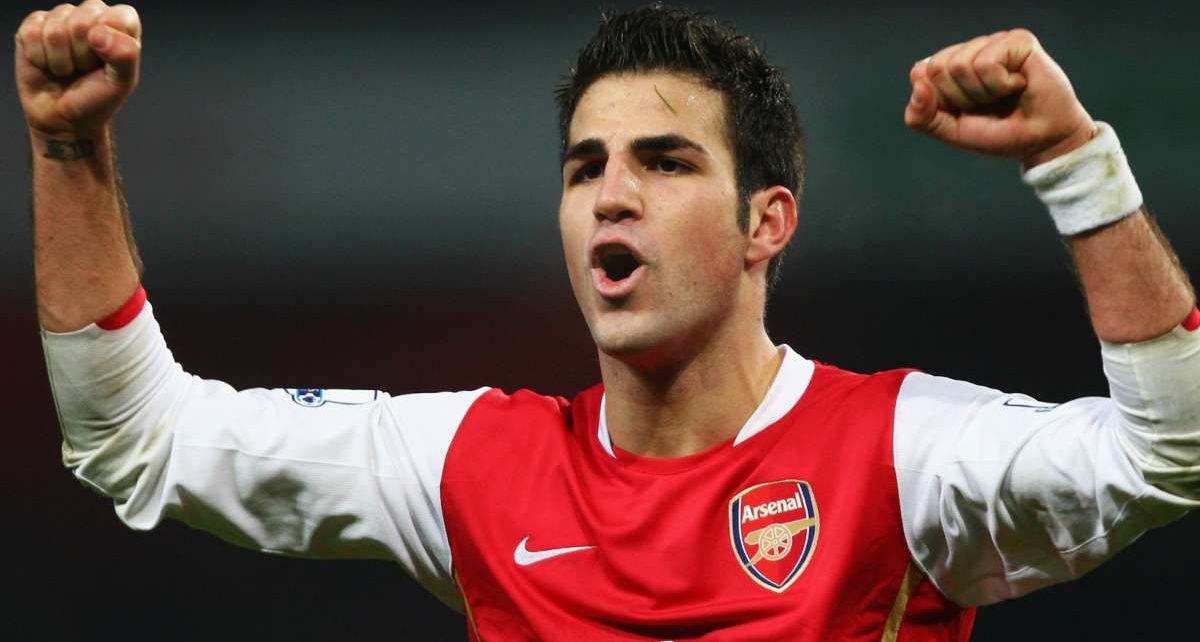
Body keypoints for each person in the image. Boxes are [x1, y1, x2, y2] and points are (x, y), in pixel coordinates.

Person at [17, 1, 1199, 640]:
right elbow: (135, 438)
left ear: (767, 222)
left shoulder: (901, 452)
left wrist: (1073, 160)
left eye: (666, 162)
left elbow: (1170, 453)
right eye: (586, 167)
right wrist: (69, 147)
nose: (612, 195)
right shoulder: (478, 468)